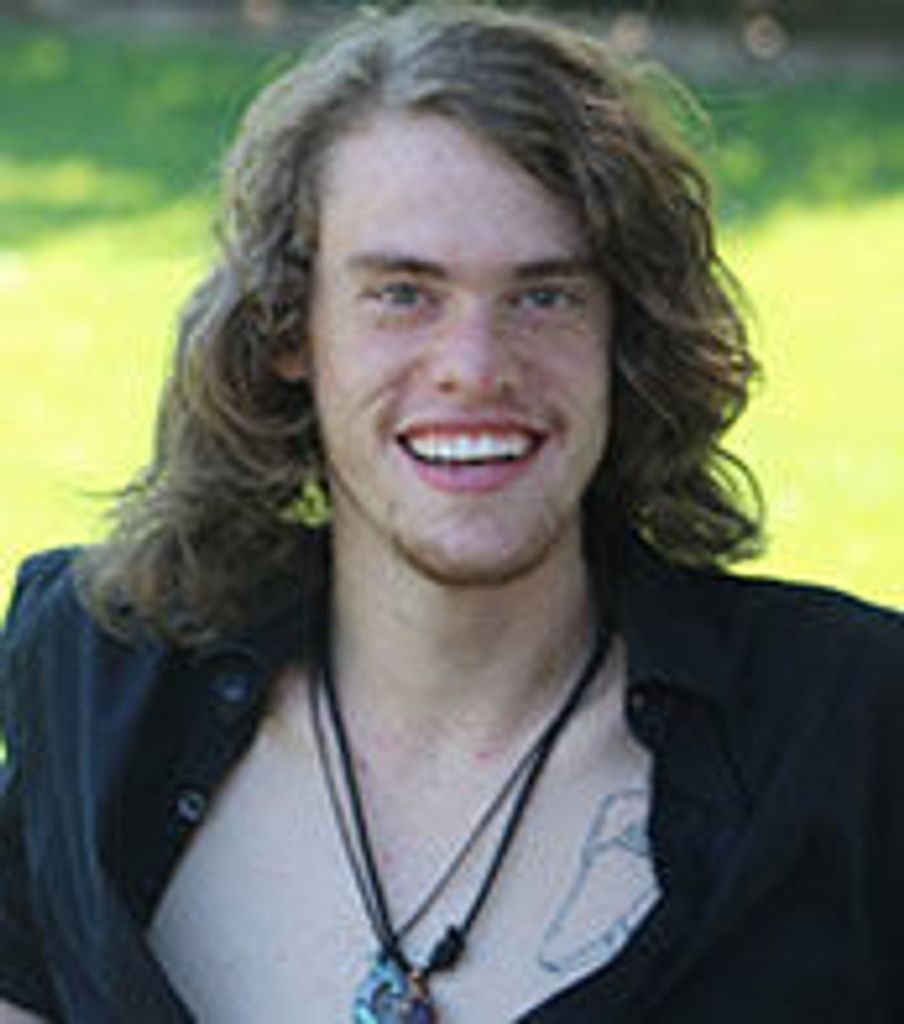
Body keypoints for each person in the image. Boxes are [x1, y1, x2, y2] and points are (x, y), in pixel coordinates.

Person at [2, 3, 902, 1022]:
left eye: (545, 296)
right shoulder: (97, 675)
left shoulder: (851, 731)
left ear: (624, 335)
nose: (474, 368)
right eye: (402, 293)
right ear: (290, 329)